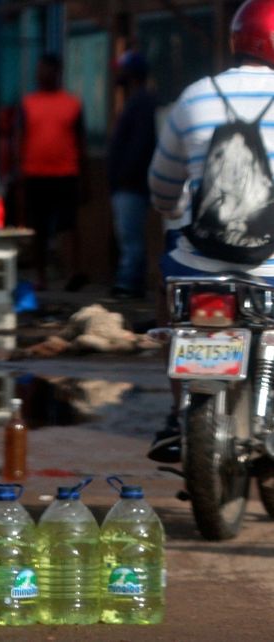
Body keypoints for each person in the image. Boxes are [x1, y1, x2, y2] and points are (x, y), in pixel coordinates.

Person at [147, 0, 274, 462]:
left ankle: (178, 412)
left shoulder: (196, 96)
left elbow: (162, 187)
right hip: (270, 271)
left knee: (173, 299)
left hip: (201, 265)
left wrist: (174, 209)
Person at [17, 53, 87, 292]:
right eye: (39, 70)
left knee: (68, 226)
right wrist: (17, 174)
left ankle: (73, 273)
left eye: (45, 70)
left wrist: (84, 179)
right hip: (35, 175)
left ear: (56, 73)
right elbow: (20, 138)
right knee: (38, 229)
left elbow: (81, 142)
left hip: (66, 173)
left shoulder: (72, 103)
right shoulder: (28, 103)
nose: (41, 75)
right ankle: (41, 276)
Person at [107, 51, 157, 299]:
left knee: (130, 236)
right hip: (127, 183)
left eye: (122, 70)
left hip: (132, 184)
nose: (118, 75)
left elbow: (141, 143)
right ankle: (130, 281)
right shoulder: (133, 101)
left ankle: (130, 283)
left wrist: (126, 174)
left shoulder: (142, 102)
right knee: (128, 235)